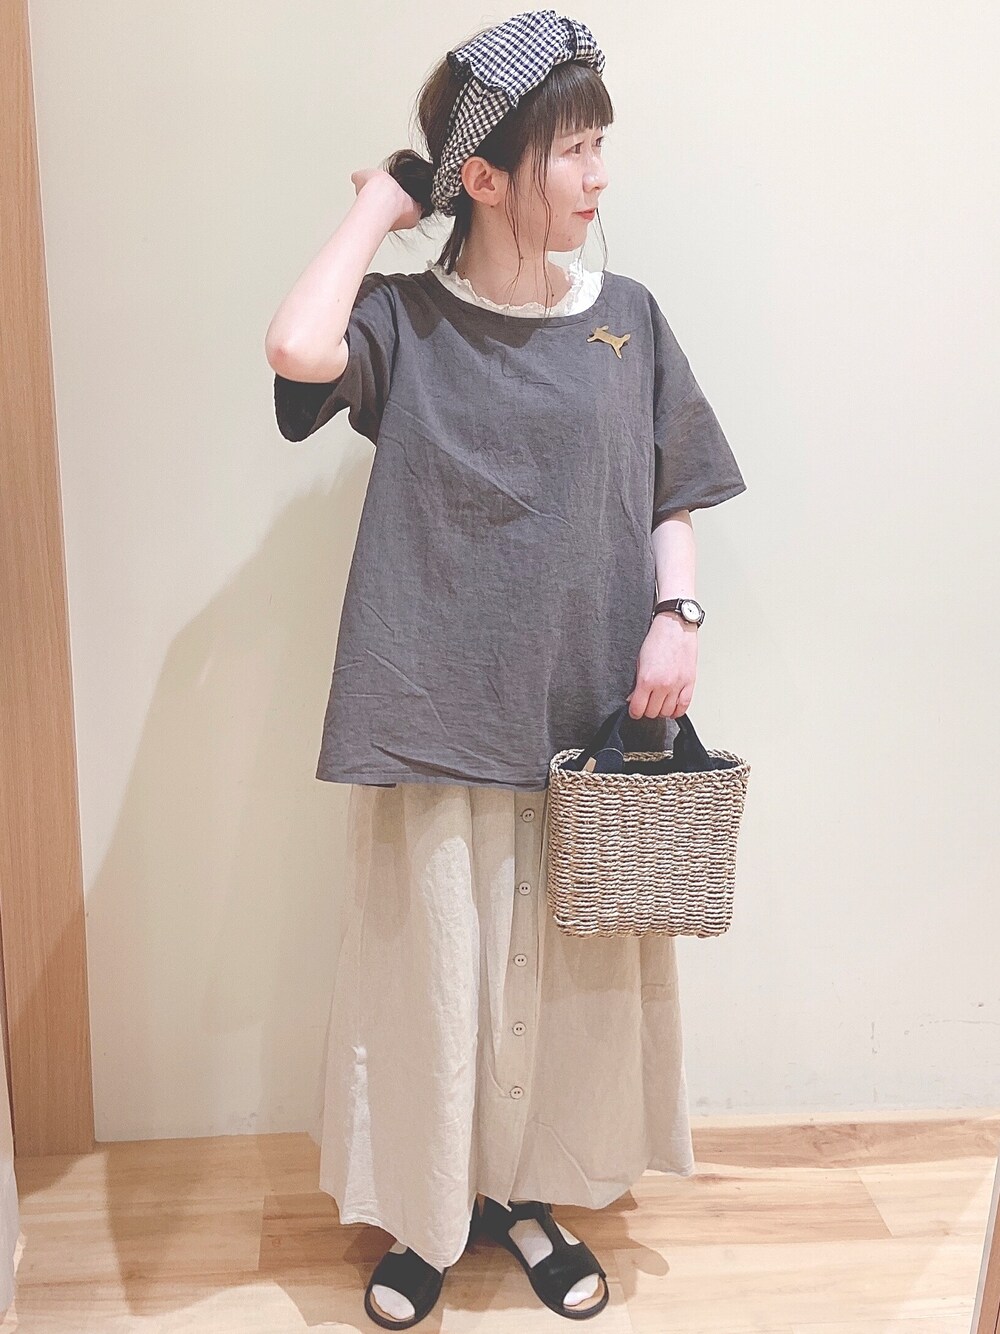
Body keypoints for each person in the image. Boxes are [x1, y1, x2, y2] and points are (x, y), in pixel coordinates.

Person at [264, 9, 747, 1327]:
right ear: (482, 176)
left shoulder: (627, 318)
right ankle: (428, 1217)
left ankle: (527, 1199)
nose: (599, 176)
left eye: (600, 145)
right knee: (433, 984)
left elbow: (674, 481)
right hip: (433, 709)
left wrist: (677, 615)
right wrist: (382, 205)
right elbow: (298, 351)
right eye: (571, 151)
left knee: (560, 993)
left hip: (585, 717)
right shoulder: (406, 320)